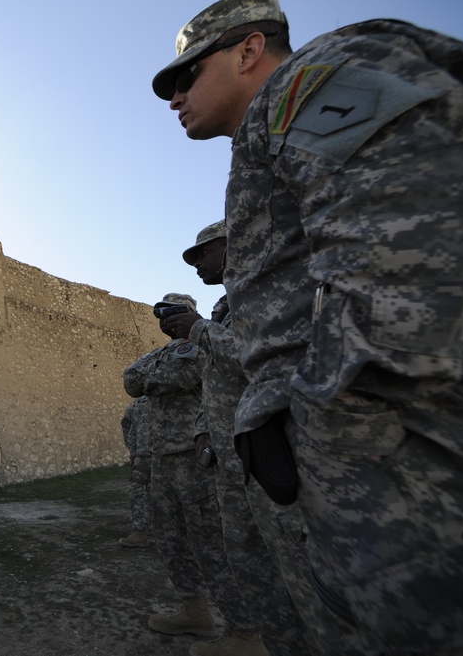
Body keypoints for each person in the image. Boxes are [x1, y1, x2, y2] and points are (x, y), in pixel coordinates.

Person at [152, 0, 463, 653]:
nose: (174, 95)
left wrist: (326, 433)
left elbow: (409, 260)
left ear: (248, 50)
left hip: (413, 493)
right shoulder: (271, 137)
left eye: (186, 75)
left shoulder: (313, 81)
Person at [168, 221, 320, 656]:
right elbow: (212, 381)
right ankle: (260, 642)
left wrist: (197, 330)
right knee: (250, 565)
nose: (197, 264)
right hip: (233, 465)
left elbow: (258, 357)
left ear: (235, 246)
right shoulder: (226, 307)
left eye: (203, 254)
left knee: (297, 569)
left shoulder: (273, 289)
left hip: (274, 459)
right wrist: (202, 430)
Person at [124, 294, 256, 654]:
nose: (166, 319)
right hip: (162, 457)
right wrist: (152, 376)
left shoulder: (205, 341)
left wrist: (152, 378)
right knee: (170, 540)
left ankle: (246, 631)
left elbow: (180, 376)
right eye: (161, 313)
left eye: (173, 311)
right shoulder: (161, 352)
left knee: (210, 543)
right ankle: (195, 611)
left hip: (194, 457)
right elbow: (131, 379)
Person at [119, 396, 150, 548]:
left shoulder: (169, 397)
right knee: (137, 491)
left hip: (165, 456)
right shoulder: (138, 403)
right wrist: (131, 448)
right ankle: (140, 532)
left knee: (165, 494)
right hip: (142, 456)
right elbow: (126, 423)